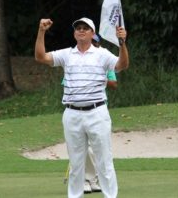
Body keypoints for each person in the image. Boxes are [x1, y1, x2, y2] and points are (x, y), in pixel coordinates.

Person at [35, 17, 129, 198]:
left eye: (86, 28)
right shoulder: (66, 54)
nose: (81, 30)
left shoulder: (102, 54)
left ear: (93, 33)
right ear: (74, 33)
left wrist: (122, 43)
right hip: (72, 114)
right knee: (76, 163)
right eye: (78, 28)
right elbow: (40, 57)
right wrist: (41, 31)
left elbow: (122, 65)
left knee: (104, 161)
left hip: (97, 112)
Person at [84, 34, 117, 194]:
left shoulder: (105, 59)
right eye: (92, 42)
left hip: (100, 109)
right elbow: (67, 83)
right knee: (85, 148)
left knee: (98, 147)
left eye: (96, 42)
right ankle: (85, 179)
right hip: (80, 109)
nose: (94, 45)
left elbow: (114, 83)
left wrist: (101, 78)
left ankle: (94, 179)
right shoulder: (78, 59)